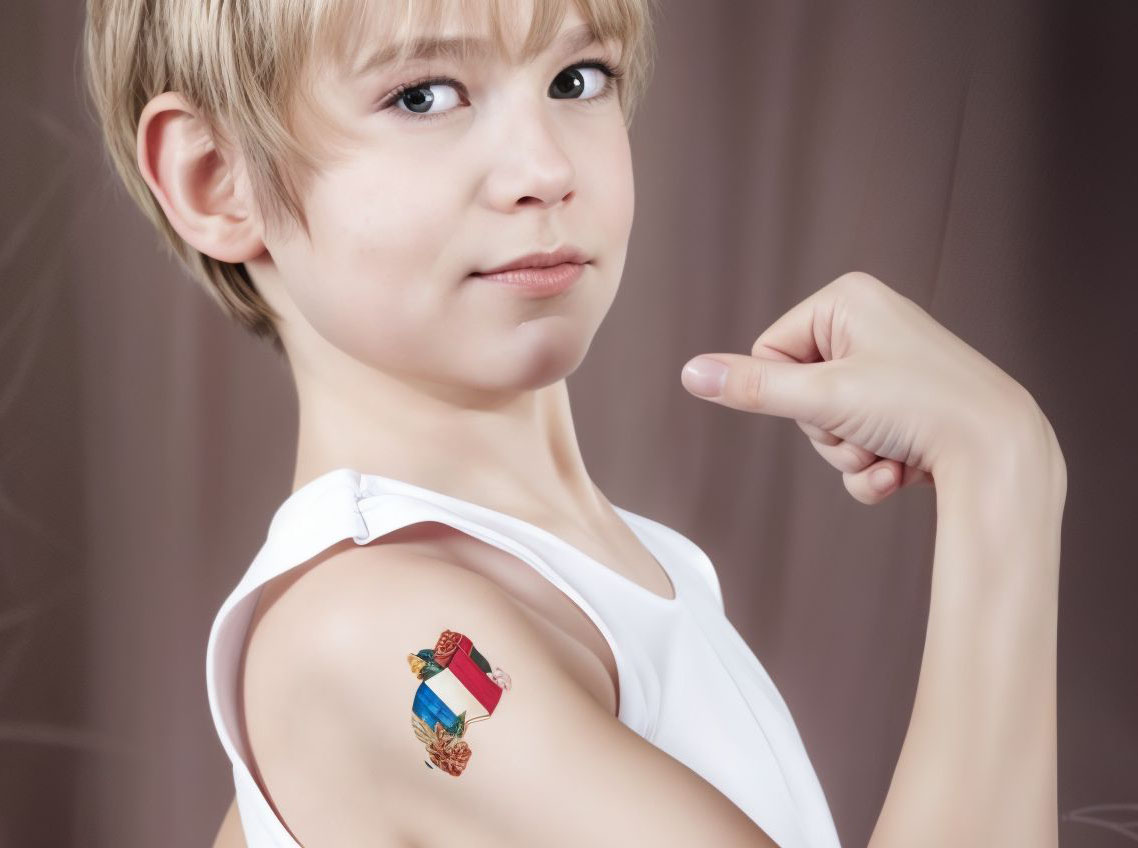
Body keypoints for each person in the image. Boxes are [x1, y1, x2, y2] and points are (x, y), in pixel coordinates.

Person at [82, 0, 1066, 845]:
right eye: (423, 95)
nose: (543, 167)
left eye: (577, 77)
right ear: (216, 180)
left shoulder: (630, 565)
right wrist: (1002, 473)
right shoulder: (376, 639)